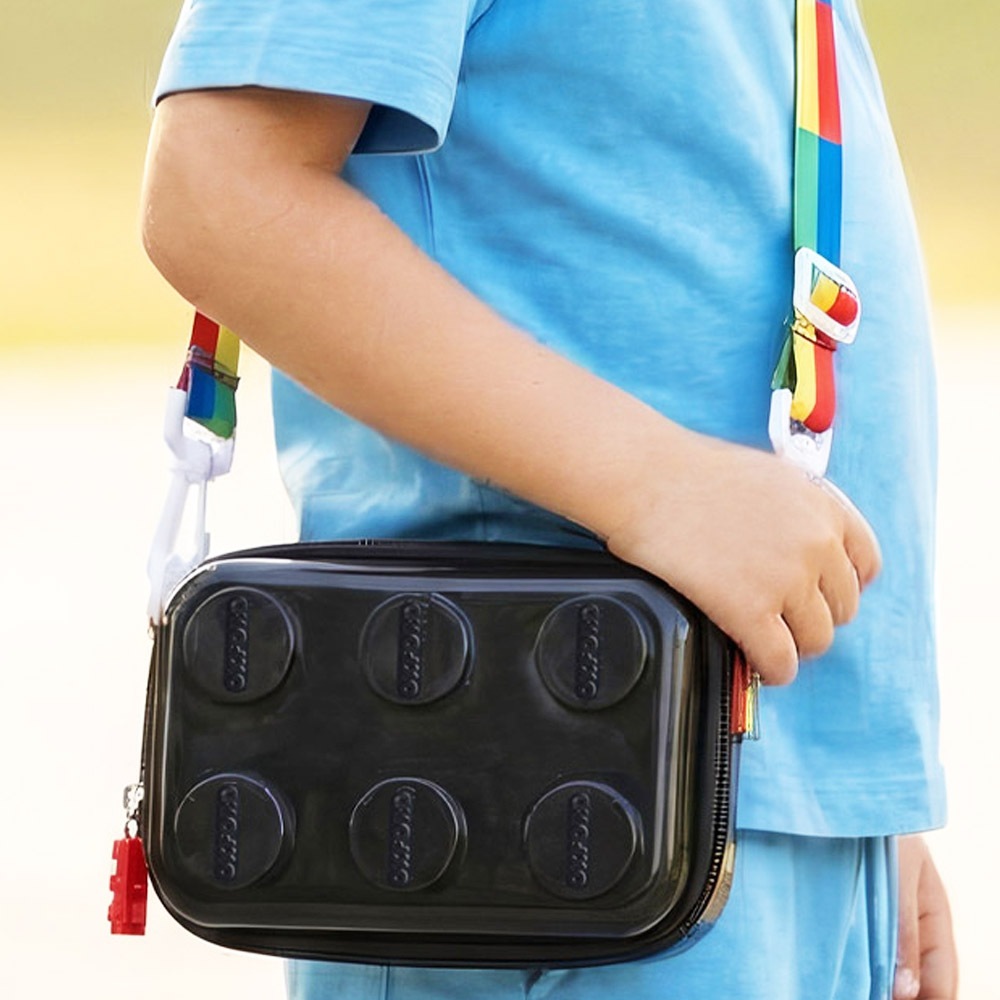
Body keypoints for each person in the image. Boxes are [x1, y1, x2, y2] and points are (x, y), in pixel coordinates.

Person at [141, 1, 957, 997]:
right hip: (539, 802)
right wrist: (657, 482)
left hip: (752, 798)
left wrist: (849, 791)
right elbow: (216, 194)